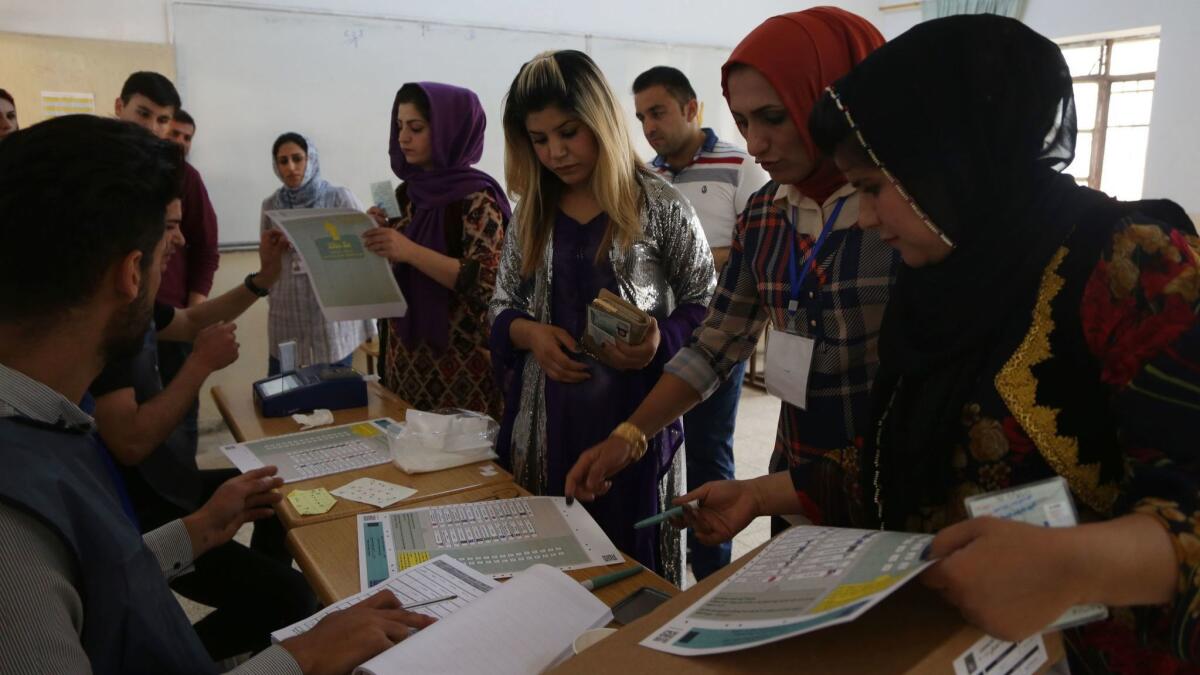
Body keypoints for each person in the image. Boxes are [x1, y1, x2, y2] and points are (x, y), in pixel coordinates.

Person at [681, 15, 1200, 672]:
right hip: (954, 644)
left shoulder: (1133, 267)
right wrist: (762, 493)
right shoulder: (944, 273)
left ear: (949, 166)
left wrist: (1071, 564)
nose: (865, 217)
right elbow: (906, 456)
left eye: (872, 188)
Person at [0, 114, 434, 674]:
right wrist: (299, 658)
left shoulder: (45, 421)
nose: (177, 250)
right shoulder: (14, 525)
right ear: (131, 273)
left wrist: (197, 530)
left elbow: (93, 578)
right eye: (166, 247)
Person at [566, 9, 894, 535]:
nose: (757, 143)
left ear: (835, 102)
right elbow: (717, 341)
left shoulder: (901, 217)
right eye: (744, 122)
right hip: (794, 483)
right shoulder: (767, 213)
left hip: (893, 490)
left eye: (774, 117)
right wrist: (630, 434)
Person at [490, 50, 716, 585]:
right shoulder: (531, 213)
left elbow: (709, 307)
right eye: (539, 140)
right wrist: (529, 334)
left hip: (636, 423)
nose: (555, 152)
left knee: (633, 575)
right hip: (545, 421)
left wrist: (660, 339)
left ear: (602, 121)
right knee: (550, 572)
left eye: (569, 131)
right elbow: (500, 305)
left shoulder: (660, 205)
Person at [90, 196, 318, 660]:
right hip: (149, 513)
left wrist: (261, 281)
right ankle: (179, 658)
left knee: (273, 490)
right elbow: (130, 442)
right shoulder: (110, 324)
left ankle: (259, 618)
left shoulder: (139, 304)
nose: (183, 239)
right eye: (171, 227)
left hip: (173, 484)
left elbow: (193, 320)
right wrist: (198, 366)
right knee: (295, 596)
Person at [632, 65, 768, 579]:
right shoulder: (647, 177)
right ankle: (660, 570)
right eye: (642, 116)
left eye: (659, 112)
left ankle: (712, 578)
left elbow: (760, 248)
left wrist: (696, 258)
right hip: (658, 340)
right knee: (659, 451)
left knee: (710, 457)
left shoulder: (742, 165)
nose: (650, 127)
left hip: (720, 339)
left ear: (692, 109)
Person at [364, 82, 509, 419]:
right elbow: (395, 266)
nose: (403, 138)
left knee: (462, 467)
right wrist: (375, 236)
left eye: (416, 128)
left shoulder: (476, 197)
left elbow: (487, 281)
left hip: (461, 369)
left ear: (450, 130)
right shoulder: (404, 195)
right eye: (399, 127)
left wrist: (409, 250)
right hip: (405, 363)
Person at [115, 72, 219, 455]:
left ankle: (181, 495)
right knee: (124, 430)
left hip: (165, 314)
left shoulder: (182, 176)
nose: (154, 129)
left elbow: (205, 249)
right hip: (112, 314)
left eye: (163, 120)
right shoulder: (100, 166)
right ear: (118, 107)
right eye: (144, 114)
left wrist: (192, 315)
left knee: (177, 423)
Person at [263, 132, 375, 374]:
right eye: (283, 161)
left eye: (297, 158)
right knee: (283, 393)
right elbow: (266, 259)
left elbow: (365, 251)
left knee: (331, 399)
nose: (291, 167)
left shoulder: (338, 197)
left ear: (311, 159)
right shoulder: (270, 205)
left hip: (331, 318)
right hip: (287, 312)